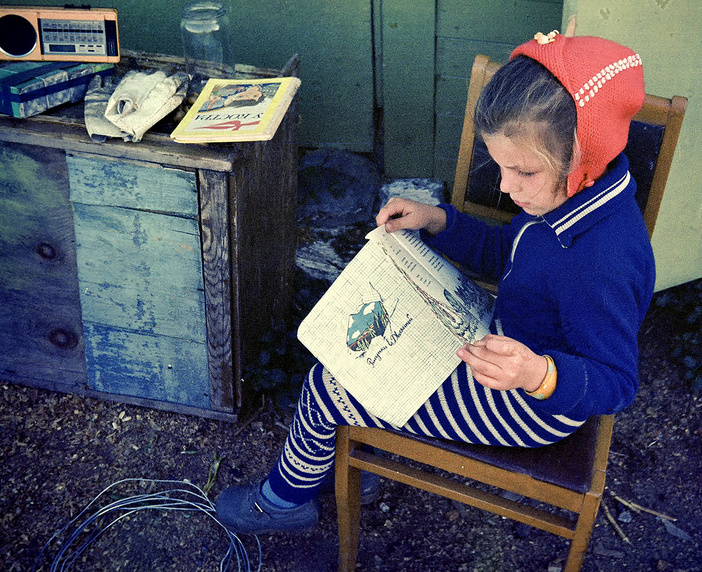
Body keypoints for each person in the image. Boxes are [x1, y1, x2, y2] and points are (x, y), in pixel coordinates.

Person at [215, 31, 656, 534]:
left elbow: (617, 383)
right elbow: (508, 253)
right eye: (500, 167)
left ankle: (283, 503)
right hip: (493, 336)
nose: (507, 187)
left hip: (527, 403)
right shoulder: (563, 200)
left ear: (584, 155)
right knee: (356, 350)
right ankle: (354, 462)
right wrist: (439, 221)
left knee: (327, 385)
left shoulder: (601, 262)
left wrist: (538, 373)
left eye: (523, 172)